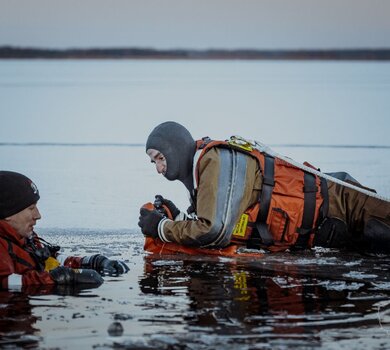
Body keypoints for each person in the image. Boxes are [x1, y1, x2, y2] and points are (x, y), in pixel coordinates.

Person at [138, 121, 390, 254]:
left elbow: (213, 231)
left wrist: (162, 228)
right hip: (328, 227)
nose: (159, 168)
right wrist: (180, 218)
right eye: (154, 162)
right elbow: (224, 222)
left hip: (343, 205)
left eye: (160, 158)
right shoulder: (203, 173)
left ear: (176, 149)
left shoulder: (213, 162)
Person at [0, 171, 129, 291]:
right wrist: (60, 278)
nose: (38, 215)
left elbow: (52, 260)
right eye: (31, 208)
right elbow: (4, 283)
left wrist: (94, 262)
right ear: (8, 213)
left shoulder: (26, 238)